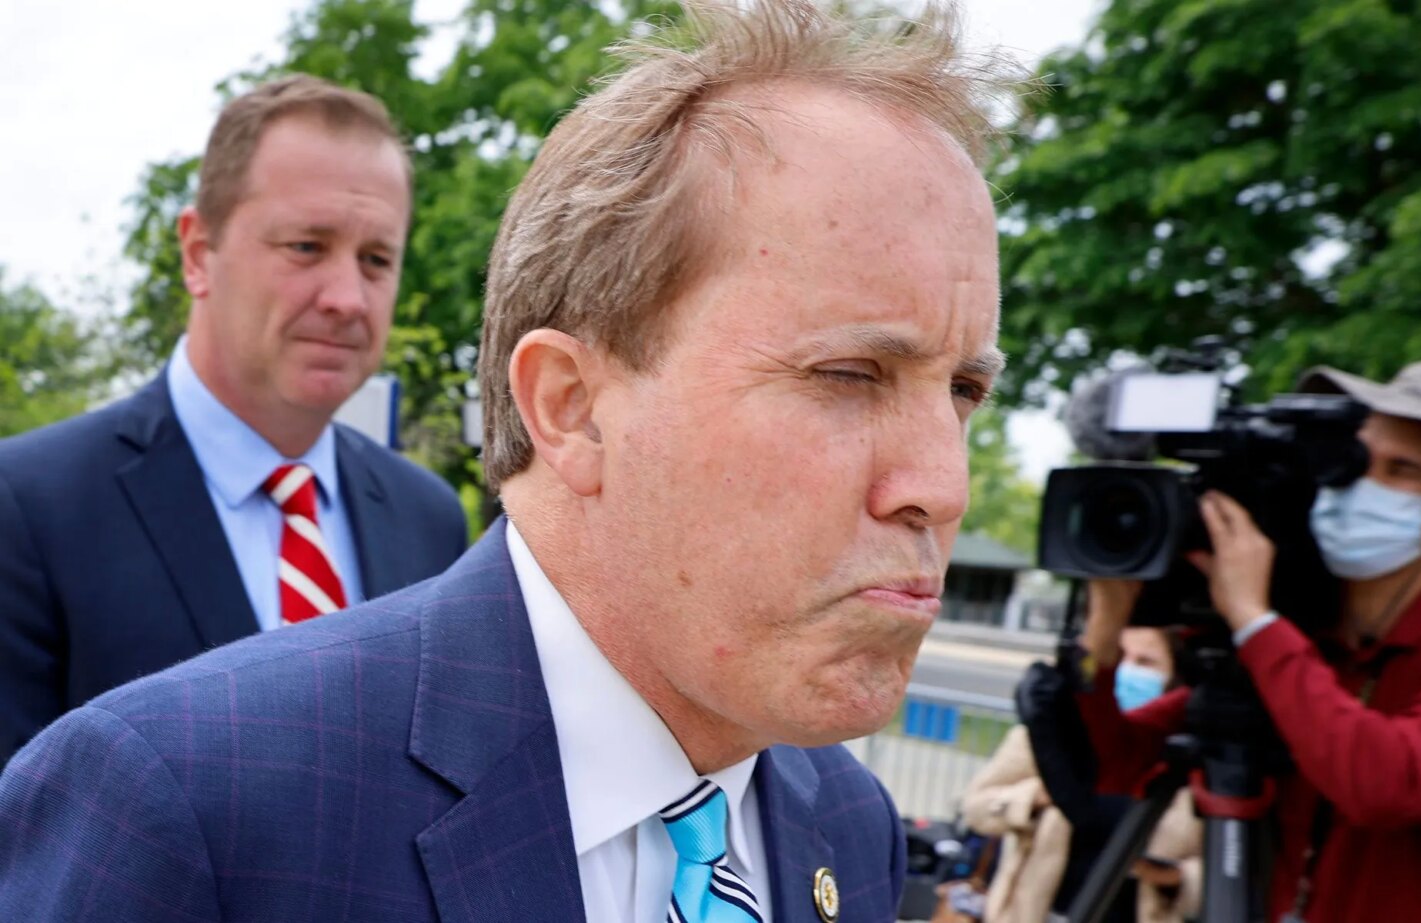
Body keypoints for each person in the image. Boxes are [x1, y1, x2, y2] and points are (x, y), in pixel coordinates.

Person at [0, 2, 1022, 920]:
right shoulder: (179, 809)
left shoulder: (850, 822)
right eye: (849, 374)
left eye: (963, 392)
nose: (943, 485)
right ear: (571, 408)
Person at [0, 75, 467, 767]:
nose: (347, 297)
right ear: (198, 254)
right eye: (306, 246)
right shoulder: (30, 508)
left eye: (376, 259)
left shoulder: (428, 518)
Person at [1074, 358, 1421, 921]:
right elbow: (1113, 763)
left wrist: (1254, 620)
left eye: (1403, 470)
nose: (1365, 485)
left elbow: (1386, 785)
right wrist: (1104, 630)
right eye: (1353, 463)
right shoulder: (1311, 644)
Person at [963, 627, 1201, 923]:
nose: (1126, 670)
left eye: (1145, 662)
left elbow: (1231, 868)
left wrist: (1176, 877)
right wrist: (1036, 796)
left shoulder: (1194, 757)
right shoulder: (1050, 737)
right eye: (1120, 657)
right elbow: (976, 807)